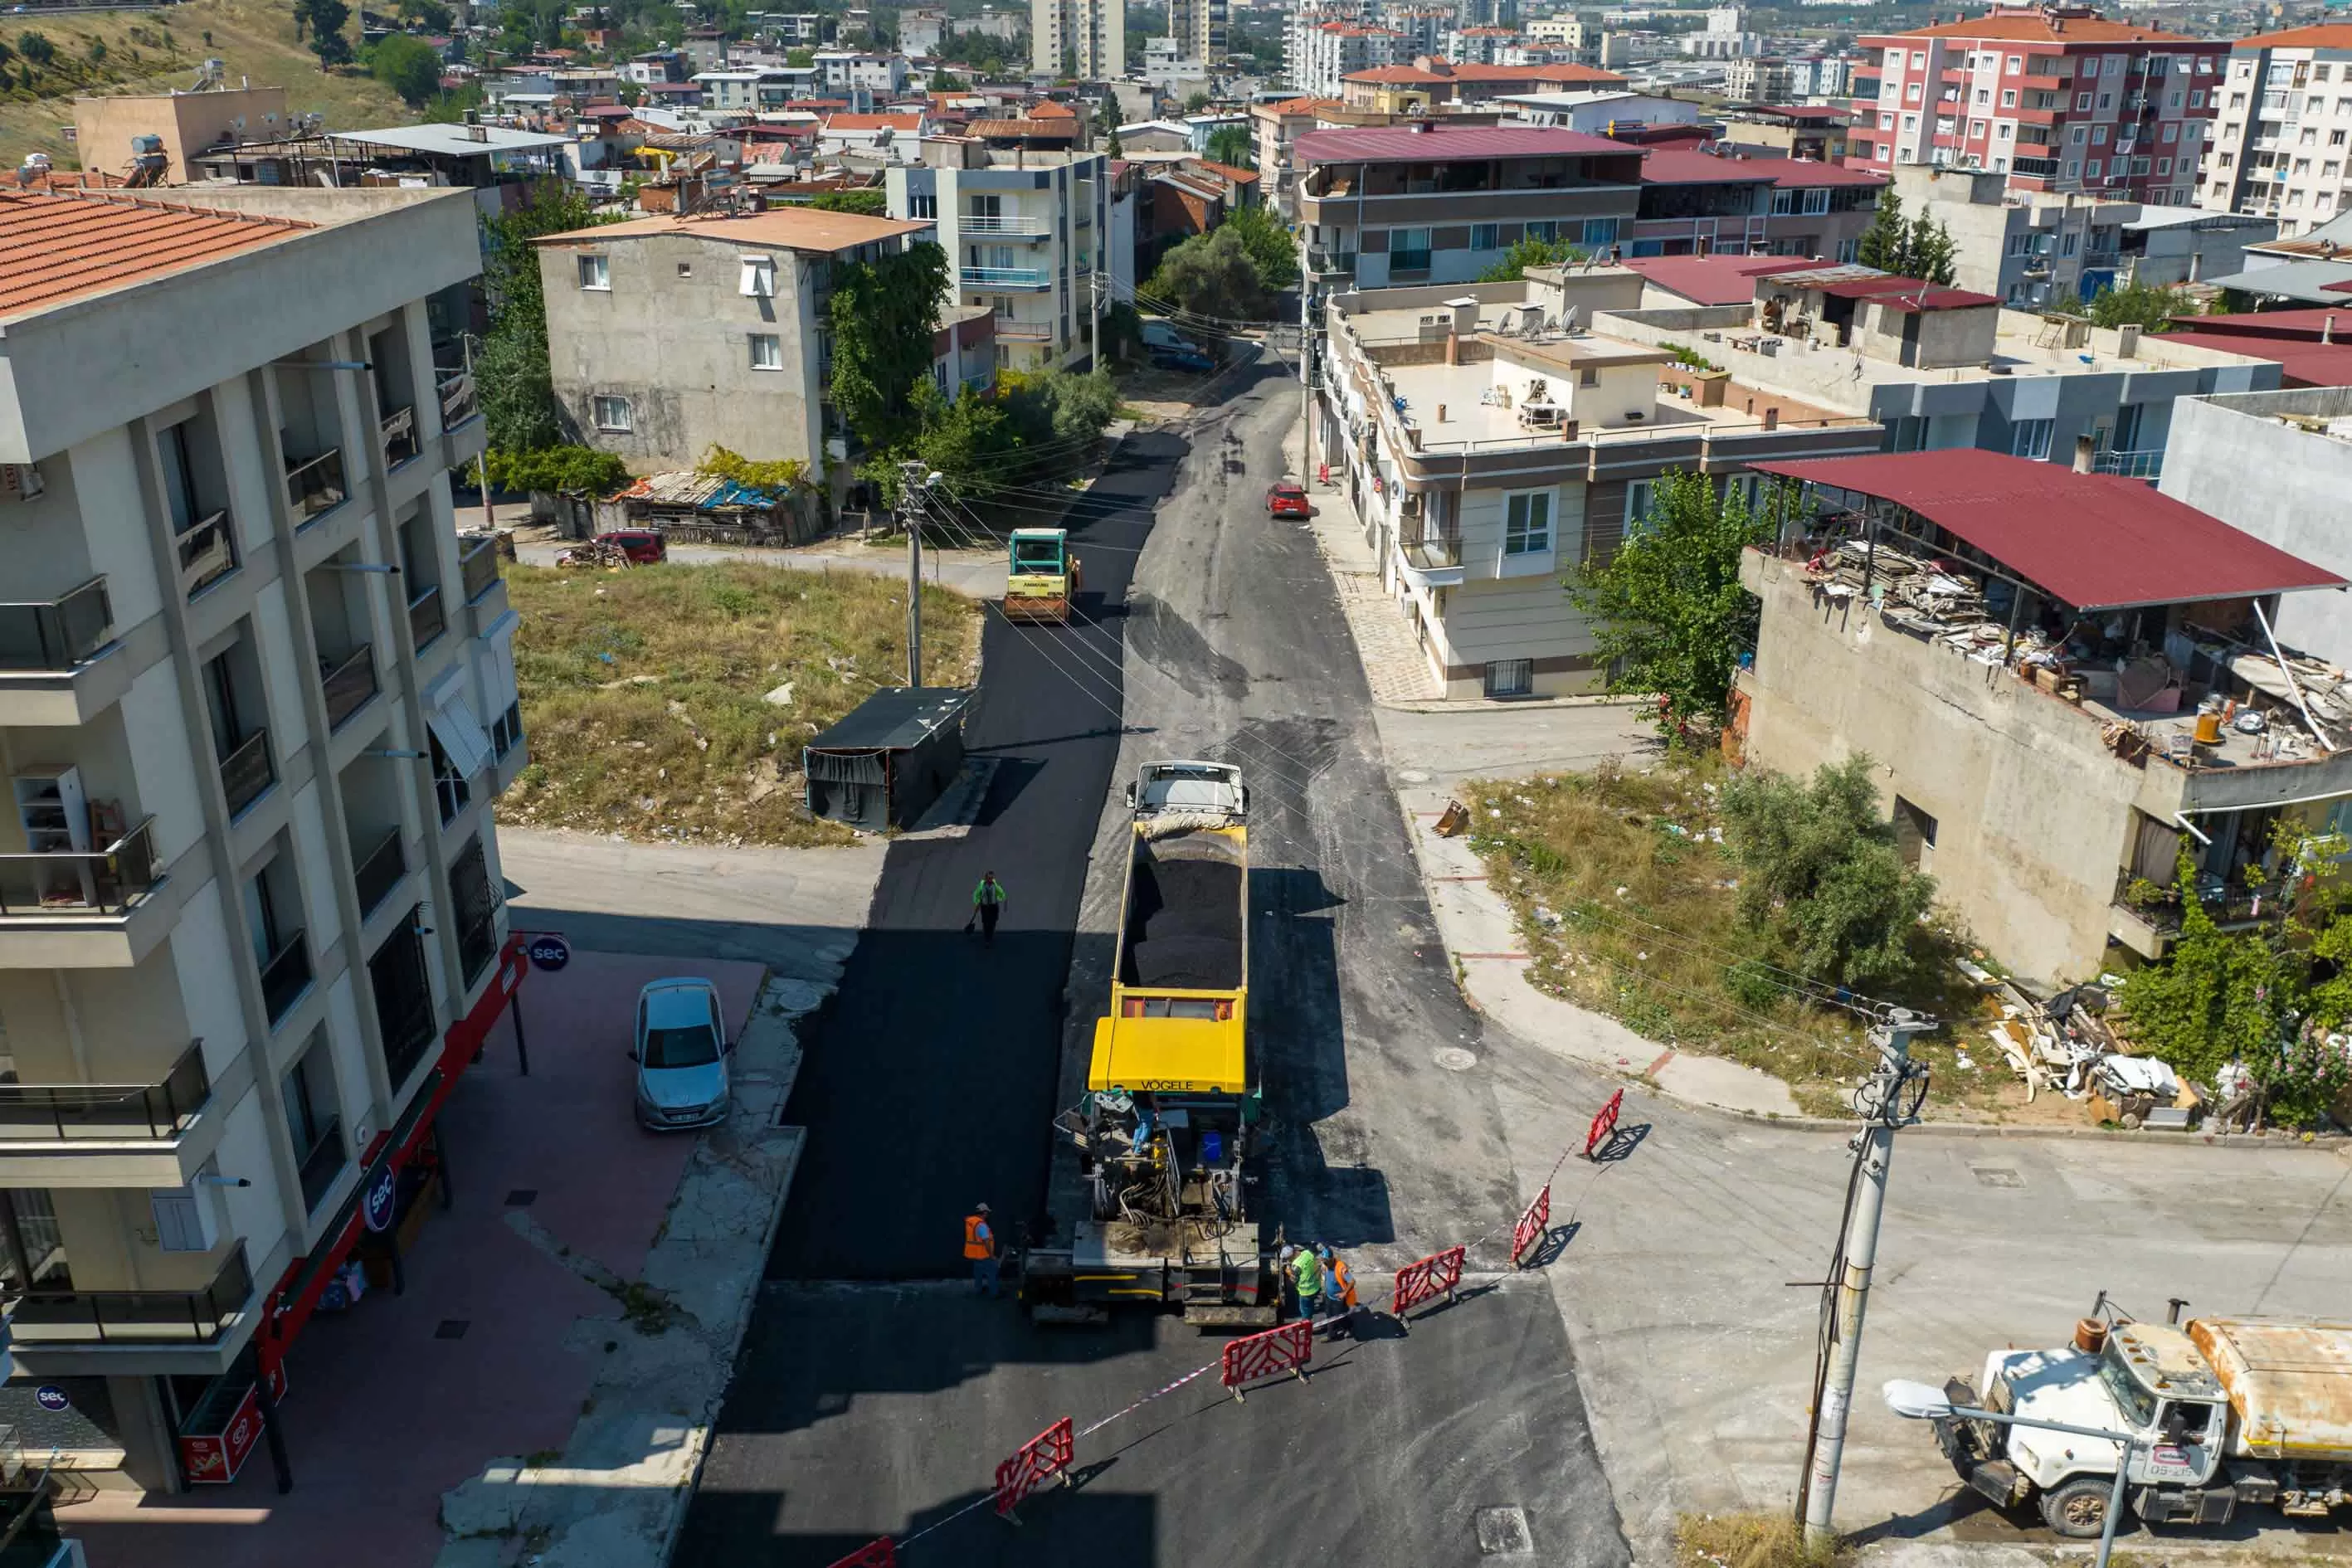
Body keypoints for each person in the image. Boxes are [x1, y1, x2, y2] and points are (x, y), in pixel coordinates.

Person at [1319, 1244, 1358, 1340]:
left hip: (1338, 1300)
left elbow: (1352, 1281)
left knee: (1340, 1317)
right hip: (1328, 1296)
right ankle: (1331, 1334)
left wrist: (1344, 1293)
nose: (1325, 1264)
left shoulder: (1341, 1268)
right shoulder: (1325, 1265)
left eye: (1327, 1262)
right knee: (1329, 1315)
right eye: (1324, 1262)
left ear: (1332, 1259)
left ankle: (1349, 1327)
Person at [964, 1202, 1000, 1298]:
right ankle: (994, 1294)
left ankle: (978, 1290)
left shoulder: (971, 1221)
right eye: (987, 1213)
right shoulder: (982, 1225)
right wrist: (992, 1255)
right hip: (983, 1255)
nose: (987, 1215)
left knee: (978, 1273)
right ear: (983, 1213)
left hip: (974, 1254)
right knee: (992, 1273)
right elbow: (986, 1242)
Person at [971, 872, 1008, 947]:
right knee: (986, 922)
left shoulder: (995, 886)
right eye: (989, 878)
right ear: (986, 878)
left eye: (991, 878)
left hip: (994, 906)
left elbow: (1001, 893)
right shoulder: (981, 886)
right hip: (985, 907)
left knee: (993, 922)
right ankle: (987, 939)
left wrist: (1004, 901)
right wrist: (977, 903)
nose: (990, 880)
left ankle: (990, 935)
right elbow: (976, 895)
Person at [1292, 1239, 1322, 1323]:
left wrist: (1289, 1273)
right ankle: (1310, 1315)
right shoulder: (1314, 1257)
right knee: (1311, 1304)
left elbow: (1294, 1280)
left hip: (1306, 1292)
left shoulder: (1298, 1263)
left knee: (1304, 1309)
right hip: (1316, 1287)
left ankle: (1306, 1324)